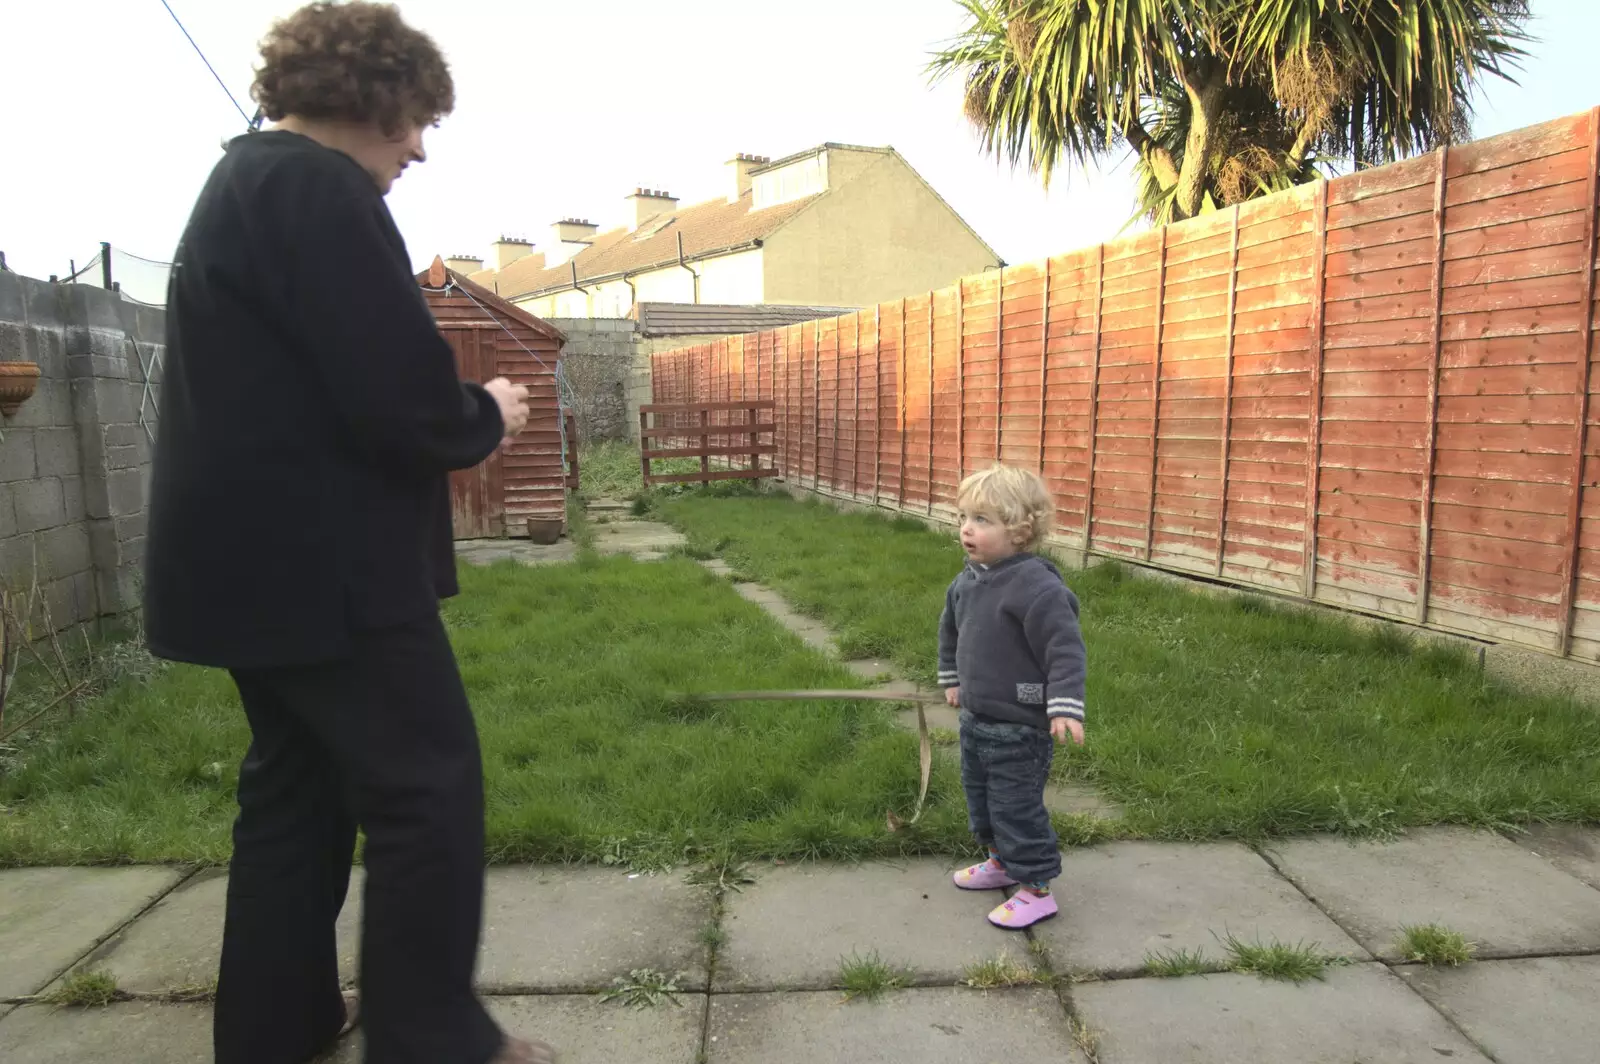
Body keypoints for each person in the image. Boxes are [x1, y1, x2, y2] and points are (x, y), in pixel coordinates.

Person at [144, 4, 551, 1062]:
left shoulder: (241, 183)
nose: (419, 147)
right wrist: (488, 413)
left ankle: (275, 1025)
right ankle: (433, 1038)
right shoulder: (320, 191)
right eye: (417, 119)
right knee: (427, 790)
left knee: (297, 792)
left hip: (244, 576)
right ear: (371, 97)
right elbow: (395, 400)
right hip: (327, 577)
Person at [938, 465, 1087, 930]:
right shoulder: (968, 581)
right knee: (980, 799)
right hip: (977, 718)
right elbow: (951, 632)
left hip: (1020, 726)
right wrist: (953, 679)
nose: (966, 528)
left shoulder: (1037, 588)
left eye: (982, 519)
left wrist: (1063, 705)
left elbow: (1064, 650)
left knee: (1015, 807)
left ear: (1021, 530)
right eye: (964, 516)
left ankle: (1036, 888)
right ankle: (1000, 863)